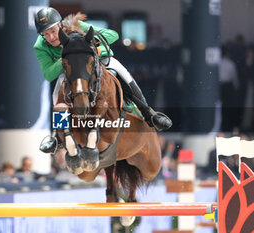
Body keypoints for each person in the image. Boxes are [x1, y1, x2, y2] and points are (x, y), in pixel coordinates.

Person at [34, 7, 172, 153]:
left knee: (122, 70)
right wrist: (68, 57)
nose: (51, 37)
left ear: (61, 25)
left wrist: (93, 49)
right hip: (70, 70)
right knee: (57, 93)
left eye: (53, 31)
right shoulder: (40, 46)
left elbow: (113, 35)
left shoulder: (75, 25)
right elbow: (48, 74)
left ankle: (148, 113)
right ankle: (57, 136)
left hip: (95, 61)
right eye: (46, 34)